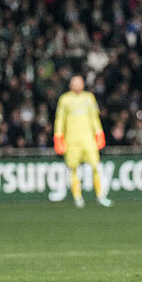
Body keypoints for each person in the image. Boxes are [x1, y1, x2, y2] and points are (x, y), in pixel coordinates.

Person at [53, 75, 111, 208]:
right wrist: (58, 137)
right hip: (72, 141)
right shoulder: (64, 99)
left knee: (96, 166)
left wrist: (99, 133)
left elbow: (94, 118)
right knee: (73, 168)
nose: (77, 85)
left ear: (83, 84)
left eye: (79, 83)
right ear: (70, 85)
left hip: (88, 139)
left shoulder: (89, 98)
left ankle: (101, 196)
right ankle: (77, 197)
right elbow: (60, 120)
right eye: (75, 83)